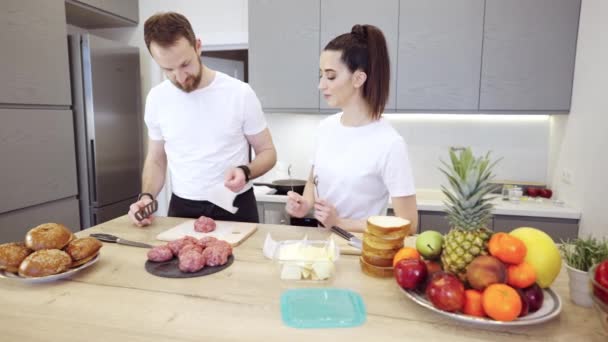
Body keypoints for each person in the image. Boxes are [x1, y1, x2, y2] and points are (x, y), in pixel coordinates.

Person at [128, 12, 276, 226]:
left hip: (235, 204)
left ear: (197, 46)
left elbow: (268, 152)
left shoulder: (240, 93)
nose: (179, 77)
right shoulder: (157, 99)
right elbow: (156, 159)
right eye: (167, 69)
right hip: (182, 207)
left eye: (185, 64)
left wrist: (246, 171)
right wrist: (146, 197)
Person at [285, 24, 418, 233]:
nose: (321, 85)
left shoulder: (390, 144)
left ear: (358, 78)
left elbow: (408, 224)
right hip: (322, 244)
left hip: (361, 252)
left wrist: (340, 221)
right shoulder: (325, 128)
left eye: (330, 76)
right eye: (321, 75)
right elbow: (313, 179)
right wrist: (306, 204)